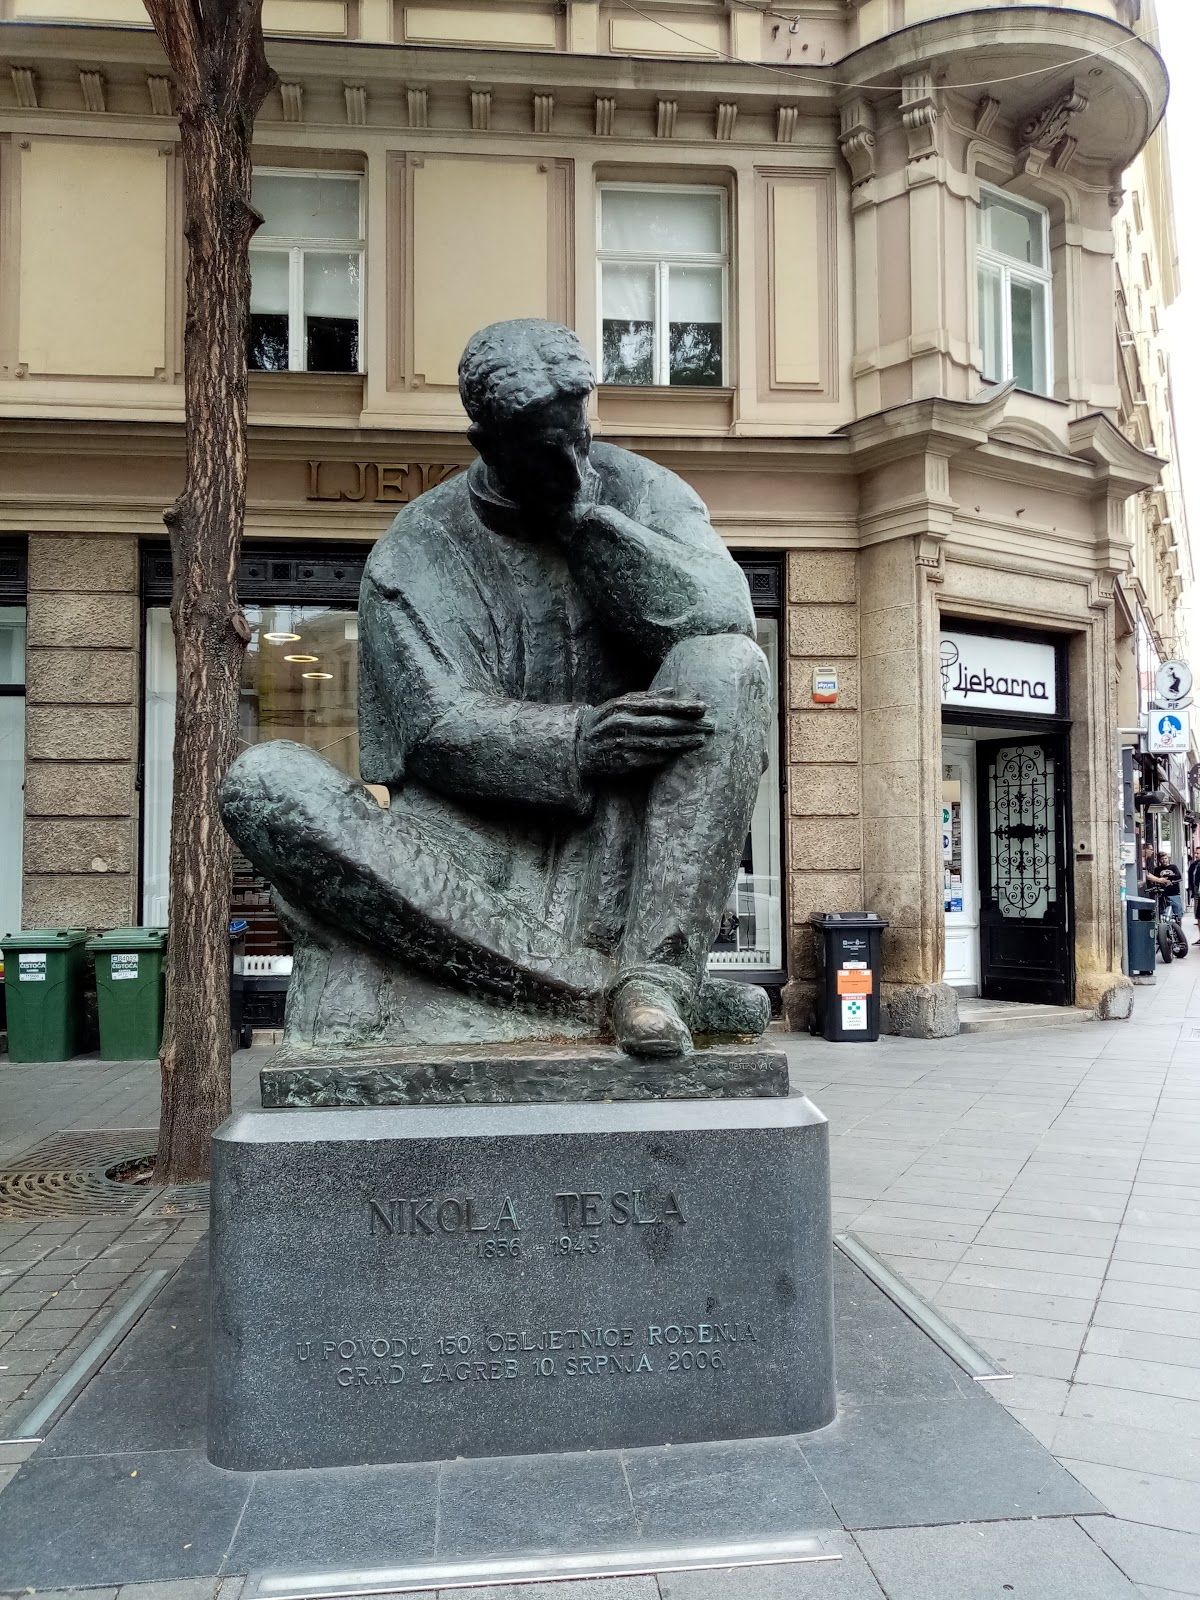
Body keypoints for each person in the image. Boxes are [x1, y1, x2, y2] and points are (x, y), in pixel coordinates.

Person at [220, 319, 772, 1059]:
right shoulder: (414, 550)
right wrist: (578, 742)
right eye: (541, 446)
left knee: (729, 665)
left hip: (614, 856)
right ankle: (586, 991)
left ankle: (654, 978)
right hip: (459, 858)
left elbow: (721, 613)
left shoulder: (642, 492)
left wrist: (585, 524)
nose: (569, 456)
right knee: (262, 783)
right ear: (484, 442)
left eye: (575, 432)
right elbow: (432, 731)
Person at [1146, 848, 1184, 921]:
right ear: (1159, 860)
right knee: (1162, 912)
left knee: (1178, 912)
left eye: (1166, 858)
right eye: (1162, 859)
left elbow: (1178, 876)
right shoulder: (1157, 869)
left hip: (1174, 893)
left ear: (1168, 858)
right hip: (1163, 893)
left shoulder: (1173, 867)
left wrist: (1167, 878)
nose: (1164, 860)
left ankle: (1178, 928)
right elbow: (1155, 879)